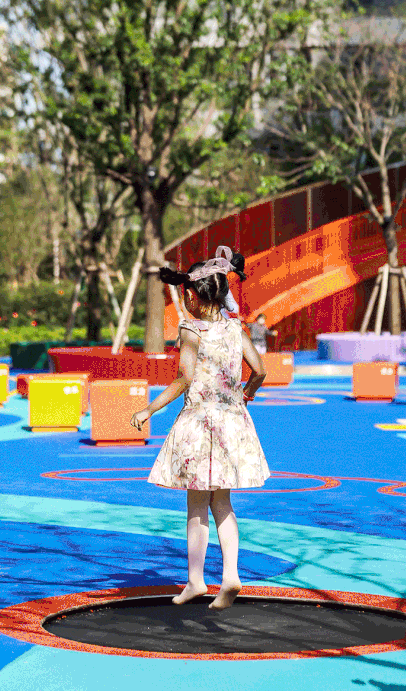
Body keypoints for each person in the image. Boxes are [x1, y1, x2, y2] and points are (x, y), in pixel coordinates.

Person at [130, 245, 270, 611]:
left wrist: (149, 409)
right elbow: (260, 370)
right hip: (232, 422)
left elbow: (184, 378)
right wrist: (246, 395)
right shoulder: (236, 328)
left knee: (196, 504)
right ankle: (231, 574)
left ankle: (195, 580)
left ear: (193, 295)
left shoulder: (190, 328)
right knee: (223, 502)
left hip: (200, 424)